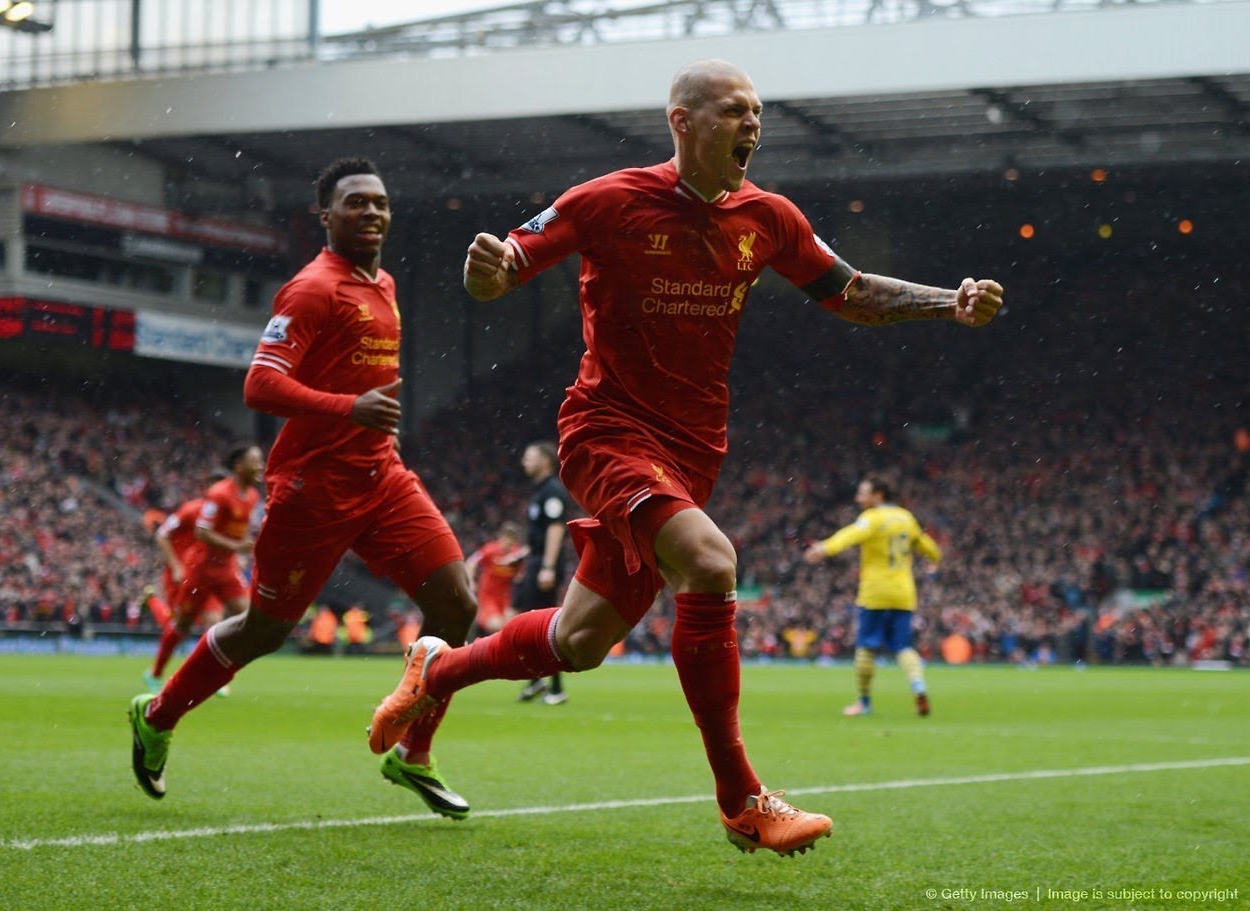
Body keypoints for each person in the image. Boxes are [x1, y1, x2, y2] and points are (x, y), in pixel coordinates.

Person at [370, 59, 1004, 856]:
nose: (753, 126)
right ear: (682, 121)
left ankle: (437, 668)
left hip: (694, 453)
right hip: (607, 431)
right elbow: (502, 273)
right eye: (736, 112)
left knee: (580, 641)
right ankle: (743, 798)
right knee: (710, 562)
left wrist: (950, 301)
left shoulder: (767, 217)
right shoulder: (606, 201)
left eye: (758, 113)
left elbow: (849, 292)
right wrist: (485, 271)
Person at [128, 157, 477, 822]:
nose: (371, 212)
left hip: (382, 478)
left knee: (456, 604)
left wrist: (375, 429)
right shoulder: (312, 288)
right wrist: (349, 409)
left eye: (379, 202)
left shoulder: (385, 284)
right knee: (264, 631)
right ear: (326, 215)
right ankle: (159, 714)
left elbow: (370, 380)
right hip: (312, 489)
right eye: (355, 203)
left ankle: (415, 753)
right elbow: (259, 386)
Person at [804, 474, 942, 716]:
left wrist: (824, 548)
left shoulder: (872, 518)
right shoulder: (906, 517)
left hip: (876, 592)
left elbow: (849, 535)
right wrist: (934, 560)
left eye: (863, 493)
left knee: (866, 647)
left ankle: (864, 702)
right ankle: (918, 687)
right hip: (903, 593)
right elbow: (928, 547)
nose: (859, 498)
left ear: (878, 496)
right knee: (903, 646)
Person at [142, 464, 247, 694]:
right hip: (183, 573)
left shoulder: (229, 512)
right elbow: (162, 535)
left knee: (214, 622)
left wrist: (234, 559)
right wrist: (177, 566)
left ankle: (214, 677)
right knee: (180, 625)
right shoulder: (191, 510)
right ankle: (156, 672)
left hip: (212, 573)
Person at [514, 441, 576, 705]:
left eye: (530, 456)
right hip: (537, 561)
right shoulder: (539, 491)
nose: (524, 461)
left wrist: (547, 567)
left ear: (545, 461)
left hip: (545, 564)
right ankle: (536, 680)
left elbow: (555, 529)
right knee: (531, 621)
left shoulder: (552, 491)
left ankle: (556, 688)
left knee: (545, 625)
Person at [464, 521, 528, 639]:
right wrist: (471, 583)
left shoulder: (516, 555)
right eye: (506, 540)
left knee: (513, 628)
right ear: (501, 538)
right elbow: (471, 562)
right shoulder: (490, 550)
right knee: (497, 626)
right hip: (488, 598)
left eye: (512, 542)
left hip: (507, 598)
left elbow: (525, 558)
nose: (508, 545)